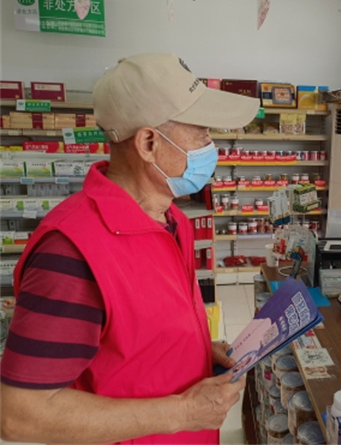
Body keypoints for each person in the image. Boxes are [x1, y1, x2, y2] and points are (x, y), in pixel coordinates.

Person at [0, 53, 260, 444]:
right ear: (149, 143)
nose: (212, 146)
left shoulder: (174, 221)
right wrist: (185, 412)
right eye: (202, 132)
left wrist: (197, 350)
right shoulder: (71, 253)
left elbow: (138, 334)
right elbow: (21, 414)